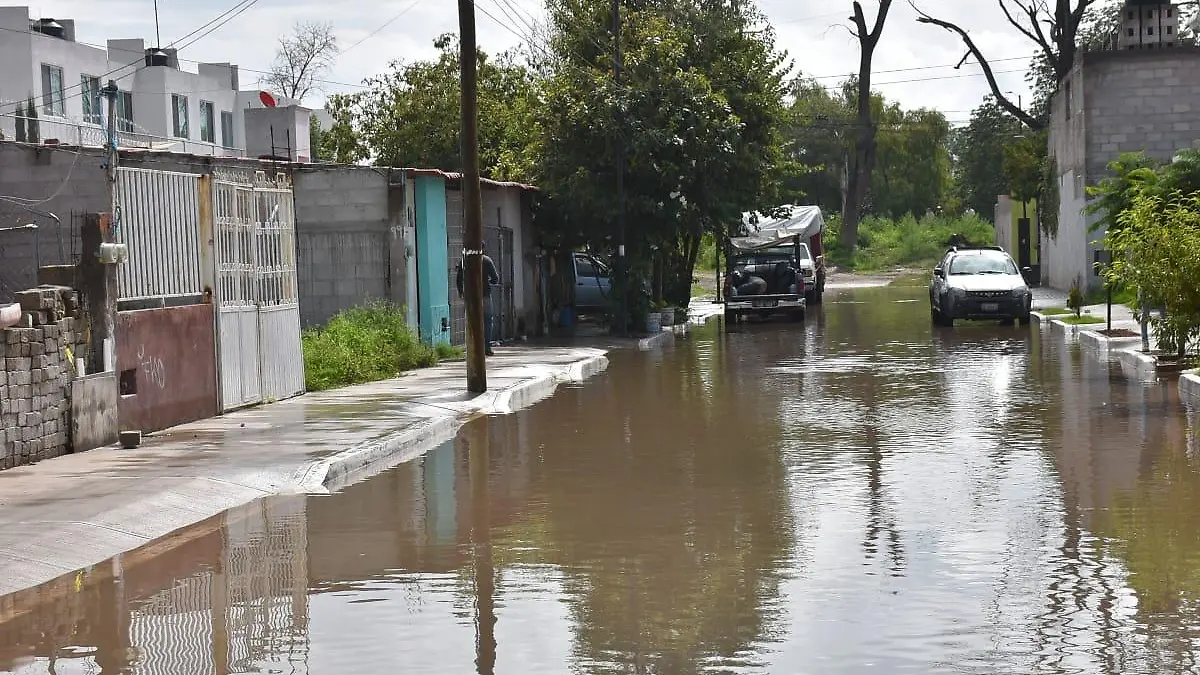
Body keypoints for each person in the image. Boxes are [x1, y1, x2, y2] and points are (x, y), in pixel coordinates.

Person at [456, 252, 501, 356]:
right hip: (484, 295)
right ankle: (486, 347)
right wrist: (488, 281)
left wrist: (461, 291)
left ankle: (472, 347)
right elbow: (495, 278)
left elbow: (459, 278)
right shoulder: (486, 260)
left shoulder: (465, 261)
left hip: (470, 296)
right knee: (487, 321)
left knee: (471, 320)